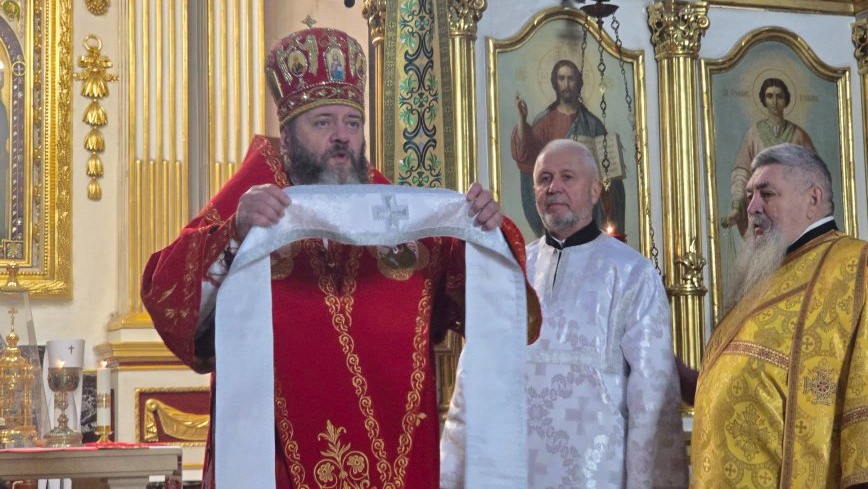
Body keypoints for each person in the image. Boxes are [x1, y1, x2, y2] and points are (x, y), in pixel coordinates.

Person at [141, 27, 538, 488]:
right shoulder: (251, 204)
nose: (341, 137)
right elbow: (169, 296)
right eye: (323, 122)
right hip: (278, 457)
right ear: (287, 136)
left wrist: (484, 233)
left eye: (352, 123)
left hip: (396, 456)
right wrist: (232, 236)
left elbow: (477, 301)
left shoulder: (395, 208)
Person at [444, 139, 687, 487]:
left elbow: (652, 397)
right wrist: (453, 474)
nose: (553, 187)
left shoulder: (633, 274)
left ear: (594, 191)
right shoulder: (512, 270)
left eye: (567, 177)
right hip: (516, 470)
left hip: (599, 472)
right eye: (544, 179)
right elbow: (475, 374)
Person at [692, 143, 868, 487]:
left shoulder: (858, 272)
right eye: (749, 195)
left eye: (767, 193)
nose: (751, 207)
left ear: (813, 199)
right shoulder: (765, 280)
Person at [511, 60, 625, 238]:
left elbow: (611, 178)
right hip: (557, 209)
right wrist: (521, 119)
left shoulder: (593, 124)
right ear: (555, 83)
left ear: (578, 83)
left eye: (571, 79)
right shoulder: (543, 122)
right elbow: (526, 156)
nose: (566, 84)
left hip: (588, 211)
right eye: (561, 78)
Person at [722, 77, 816, 235]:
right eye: (770, 96)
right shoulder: (753, 135)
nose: (774, 101)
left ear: (786, 100)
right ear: (763, 100)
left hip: (791, 209)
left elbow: (813, 174)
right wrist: (737, 206)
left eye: (779, 96)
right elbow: (742, 173)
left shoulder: (799, 135)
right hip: (763, 209)